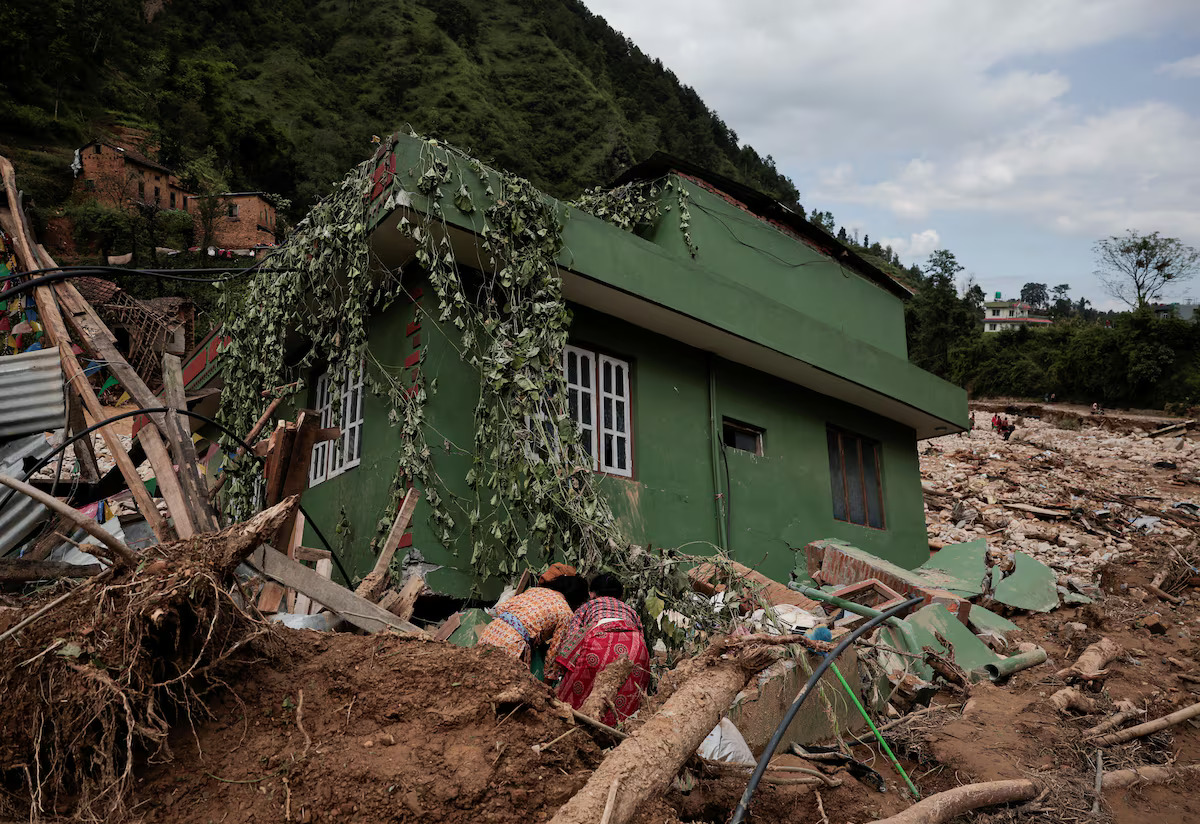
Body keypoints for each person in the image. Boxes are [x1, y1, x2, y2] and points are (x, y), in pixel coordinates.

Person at [554, 573, 651, 725]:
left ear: (591, 593)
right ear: (620, 596)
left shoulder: (586, 607)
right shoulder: (631, 610)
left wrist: (560, 673)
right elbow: (642, 636)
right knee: (625, 693)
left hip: (599, 643)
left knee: (576, 697)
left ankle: (574, 726)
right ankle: (616, 730)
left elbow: (571, 639)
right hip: (635, 647)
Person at [479, 575, 588, 679]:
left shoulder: (534, 591)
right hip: (513, 644)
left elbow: (500, 609)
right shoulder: (566, 612)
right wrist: (547, 684)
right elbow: (554, 653)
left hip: (491, 631)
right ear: (576, 599)